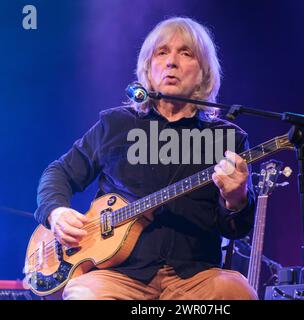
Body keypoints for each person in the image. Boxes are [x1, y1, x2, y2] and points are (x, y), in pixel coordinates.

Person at [34, 16, 258, 300]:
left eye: (186, 53)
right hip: (117, 276)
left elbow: (235, 229)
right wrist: (57, 211)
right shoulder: (115, 124)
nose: (171, 62)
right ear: (148, 69)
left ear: (203, 72)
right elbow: (59, 173)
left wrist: (236, 199)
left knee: (238, 292)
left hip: (195, 279)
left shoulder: (228, 139)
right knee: (84, 295)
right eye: (162, 52)